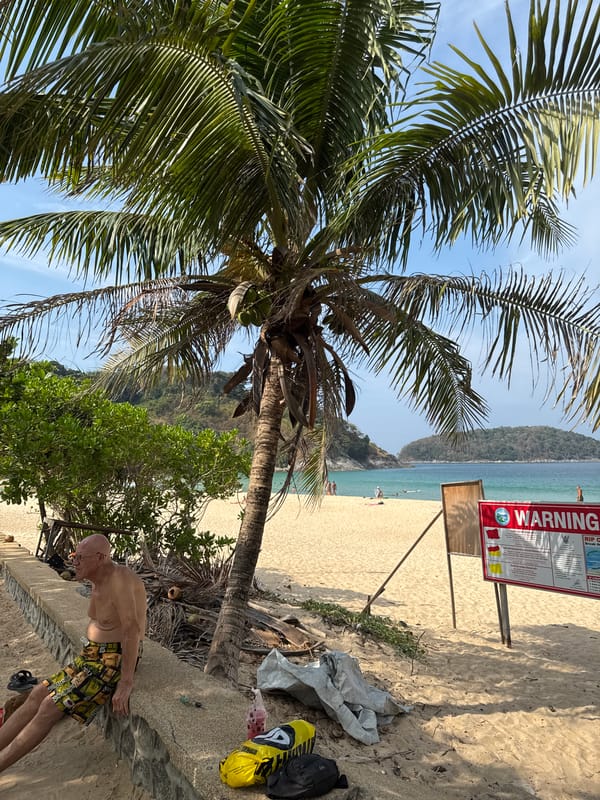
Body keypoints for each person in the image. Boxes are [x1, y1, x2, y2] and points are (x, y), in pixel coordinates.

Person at [0, 533, 146, 774]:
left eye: (80, 558)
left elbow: (132, 631)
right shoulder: (98, 578)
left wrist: (126, 682)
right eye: (73, 556)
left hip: (111, 660)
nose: (74, 562)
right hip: (91, 656)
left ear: (100, 558)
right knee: (37, 693)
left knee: (49, 706)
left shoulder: (120, 580)